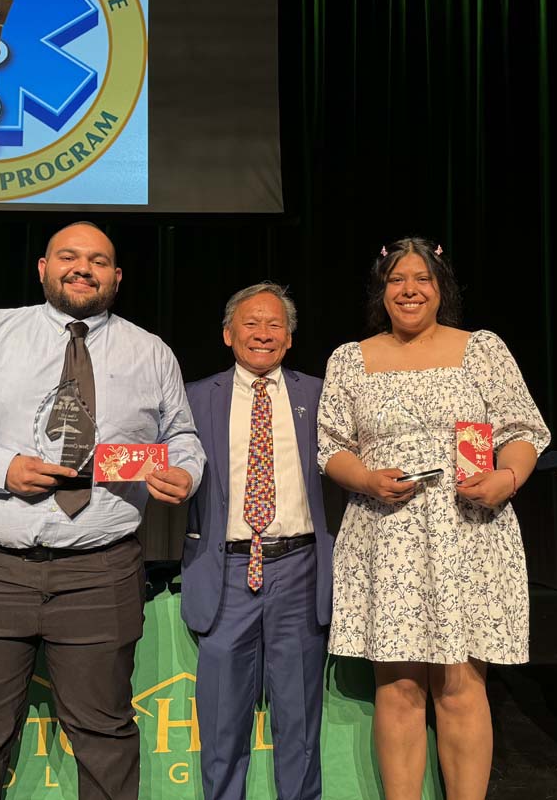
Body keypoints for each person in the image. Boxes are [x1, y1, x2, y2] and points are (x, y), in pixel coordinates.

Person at [0, 221, 206, 800]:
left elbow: (182, 436)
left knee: (105, 737)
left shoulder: (150, 352)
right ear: (43, 268)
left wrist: (186, 470)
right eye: (68, 256)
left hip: (101, 573)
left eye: (98, 260)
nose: (82, 267)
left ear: (117, 276)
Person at [317, 237, 550, 800]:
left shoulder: (482, 349)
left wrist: (506, 478)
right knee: (397, 689)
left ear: (441, 288)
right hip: (387, 534)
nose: (410, 289)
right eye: (397, 279)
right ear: (382, 291)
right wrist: (366, 478)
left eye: (422, 278)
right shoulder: (351, 357)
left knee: (460, 686)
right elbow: (331, 446)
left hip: (467, 533)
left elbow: (523, 432)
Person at [181, 283, 333, 800]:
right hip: (225, 570)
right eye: (251, 323)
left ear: (289, 339)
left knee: (300, 725)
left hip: (300, 567)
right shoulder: (194, 397)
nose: (263, 334)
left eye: (275, 325)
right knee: (222, 725)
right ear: (228, 334)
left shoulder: (320, 393)